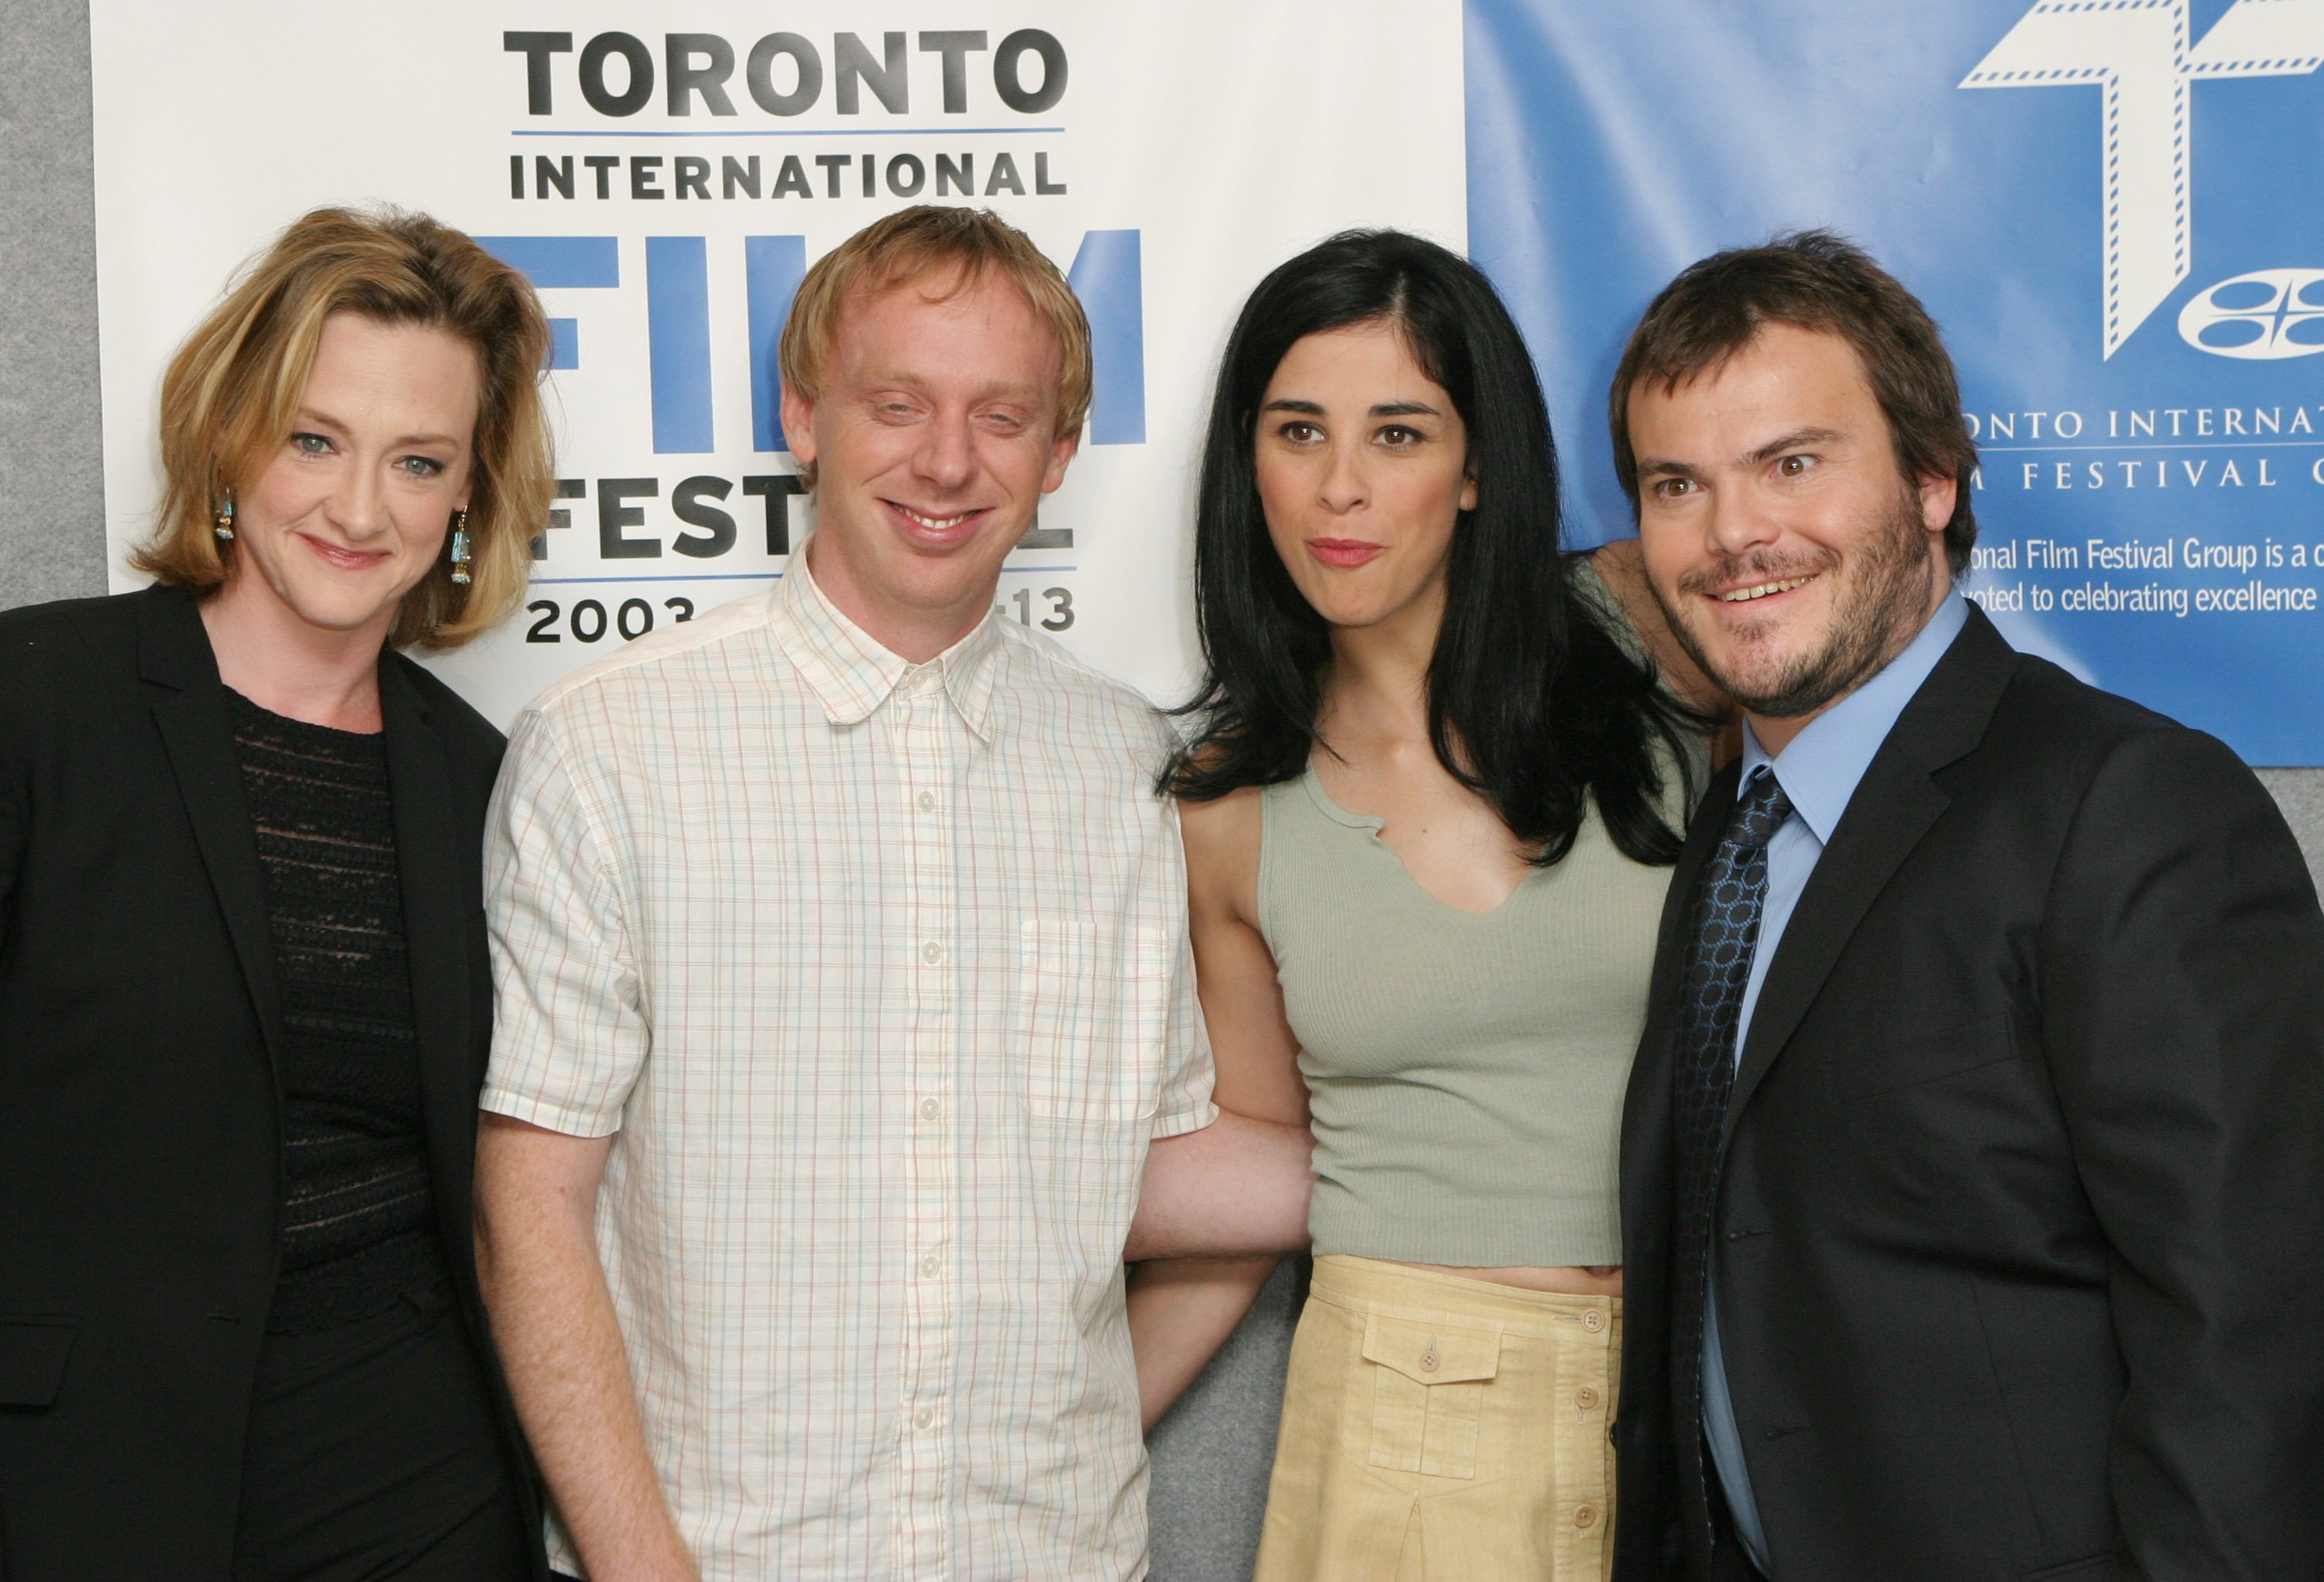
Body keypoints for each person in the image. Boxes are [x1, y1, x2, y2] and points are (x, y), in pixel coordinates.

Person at [471, 205, 1308, 1582]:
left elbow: (1150, 1167)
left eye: (1001, 413)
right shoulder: (614, 745)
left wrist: (1473, 1158)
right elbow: (535, 1204)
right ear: (804, 416)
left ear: (1060, 448)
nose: (946, 459)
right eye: (897, 402)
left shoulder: (1137, 773)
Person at [1607, 230, 2324, 1582]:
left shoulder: (2129, 806)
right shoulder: (1731, 827)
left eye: (1794, 463)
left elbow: (2258, 1343)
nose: (1733, 533)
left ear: (1934, 480)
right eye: (1676, 484)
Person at [1125, 230, 1716, 1581]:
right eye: (1298, 432)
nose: (1341, 487)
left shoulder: (1645, 631)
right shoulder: (1223, 808)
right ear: (1248, 463)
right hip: (1402, 1421)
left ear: (1476, 468)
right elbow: (1271, 1166)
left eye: (1399, 433)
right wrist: (1066, 1435)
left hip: (1704, 1399)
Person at [0, 207, 555, 1579]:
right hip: (77, 1476)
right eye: (316, 439)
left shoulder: (489, 786)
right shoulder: (37, 704)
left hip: (419, 1486)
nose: (360, 509)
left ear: (467, 498)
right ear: (232, 438)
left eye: (417, 462)